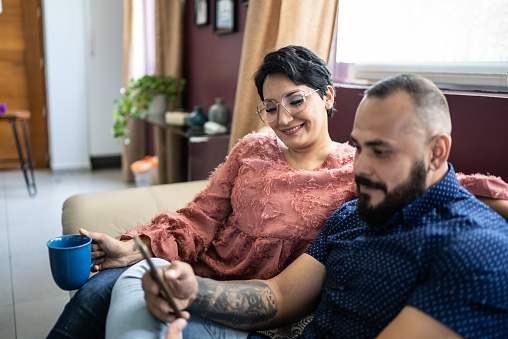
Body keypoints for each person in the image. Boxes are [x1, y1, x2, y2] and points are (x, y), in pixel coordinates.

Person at [48, 46, 507, 338]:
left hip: (250, 304)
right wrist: (138, 250)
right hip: (202, 277)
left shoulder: (357, 180)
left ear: (327, 97)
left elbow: (450, 184)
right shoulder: (260, 151)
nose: (283, 117)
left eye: (296, 99)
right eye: (270, 107)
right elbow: (201, 216)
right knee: (104, 288)